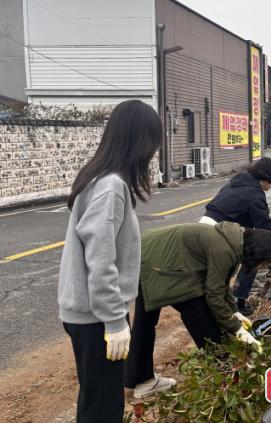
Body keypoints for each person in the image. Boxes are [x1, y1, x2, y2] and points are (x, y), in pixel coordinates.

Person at [57, 100, 162, 422]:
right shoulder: (111, 187)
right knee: (103, 408)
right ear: (140, 141)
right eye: (153, 142)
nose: (153, 152)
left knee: (96, 400)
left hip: (90, 314)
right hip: (97, 319)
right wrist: (116, 322)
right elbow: (100, 261)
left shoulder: (98, 178)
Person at [125, 223, 271, 397]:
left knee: (146, 323)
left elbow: (221, 283)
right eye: (263, 264)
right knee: (198, 312)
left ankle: (142, 381)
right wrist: (236, 328)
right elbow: (213, 294)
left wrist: (234, 312)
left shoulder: (234, 241)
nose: (260, 268)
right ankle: (223, 372)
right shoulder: (224, 250)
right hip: (155, 262)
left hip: (150, 254)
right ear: (257, 255)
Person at [199, 158, 271, 316]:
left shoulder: (237, 182)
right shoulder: (255, 194)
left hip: (202, 226)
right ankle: (237, 302)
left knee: (209, 272)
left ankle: (228, 301)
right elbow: (265, 226)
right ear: (268, 179)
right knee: (254, 256)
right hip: (218, 234)